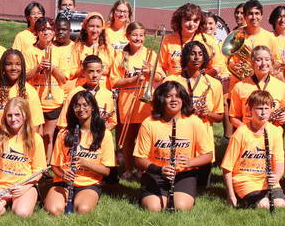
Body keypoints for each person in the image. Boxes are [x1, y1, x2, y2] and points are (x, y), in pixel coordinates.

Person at [134, 81, 215, 212]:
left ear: (183, 99)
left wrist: (190, 162)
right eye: (168, 96)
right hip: (156, 173)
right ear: (161, 99)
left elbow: (208, 155)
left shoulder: (194, 121)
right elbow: (139, 159)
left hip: (184, 174)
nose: (174, 100)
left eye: (177, 96)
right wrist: (159, 170)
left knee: (181, 207)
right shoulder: (149, 123)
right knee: (154, 208)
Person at [45, 90, 115, 215]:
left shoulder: (105, 135)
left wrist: (85, 163)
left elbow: (107, 172)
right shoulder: (63, 134)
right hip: (63, 182)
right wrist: (63, 175)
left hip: (89, 183)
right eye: (77, 105)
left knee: (83, 209)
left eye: (85, 105)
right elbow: (55, 166)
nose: (81, 109)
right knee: (54, 210)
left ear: (92, 107)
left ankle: (83, 199)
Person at [222, 91, 285, 211]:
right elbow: (227, 168)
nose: (263, 112)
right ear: (250, 110)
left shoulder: (276, 132)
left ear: (272, 109)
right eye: (259, 108)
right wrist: (230, 195)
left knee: (280, 204)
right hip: (245, 180)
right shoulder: (241, 133)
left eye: (267, 108)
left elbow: (279, 163)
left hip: (267, 180)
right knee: (263, 205)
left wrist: (276, 178)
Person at [0, 98, 47, 217]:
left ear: (25, 115)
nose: (13, 119)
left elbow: (39, 171)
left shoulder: (35, 138)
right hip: (0, 185)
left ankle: (18, 202)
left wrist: (25, 187)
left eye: (17, 115)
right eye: (9, 115)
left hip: (23, 186)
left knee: (22, 213)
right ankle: (4, 204)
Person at [111, 22, 155, 178]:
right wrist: (134, 80)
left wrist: (151, 72)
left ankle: (143, 169)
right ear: (128, 36)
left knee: (144, 138)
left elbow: (160, 78)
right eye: (135, 35)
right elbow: (114, 82)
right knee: (128, 139)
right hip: (127, 102)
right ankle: (129, 168)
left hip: (145, 103)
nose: (138, 38)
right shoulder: (120, 56)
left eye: (141, 35)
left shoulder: (151, 54)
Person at [0, 48, 43, 140]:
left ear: (23, 67)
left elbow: (34, 125)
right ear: (2, 67)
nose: (13, 68)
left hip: (22, 145)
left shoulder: (31, 92)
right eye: (9, 64)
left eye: (18, 64)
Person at [22, 17, 69, 147]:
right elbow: (24, 77)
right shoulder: (29, 52)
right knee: (36, 135)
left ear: (53, 32)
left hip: (53, 101)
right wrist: (38, 68)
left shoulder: (59, 52)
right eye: (42, 30)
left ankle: (46, 165)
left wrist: (53, 68)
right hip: (35, 100)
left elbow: (64, 79)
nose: (46, 32)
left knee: (48, 137)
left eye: (49, 29)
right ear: (37, 33)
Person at [227, 45, 285, 133]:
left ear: (271, 62)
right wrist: (248, 130)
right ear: (252, 63)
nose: (264, 63)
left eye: (267, 59)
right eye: (259, 60)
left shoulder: (282, 87)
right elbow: (233, 118)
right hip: (248, 136)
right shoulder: (239, 87)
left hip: (273, 136)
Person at [166, 40, 225, 126]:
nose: (197, 57)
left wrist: (208, 113)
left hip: (203, 135)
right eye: (192, 54)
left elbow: (220, 117)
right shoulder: (170, 81)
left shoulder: (214, 84)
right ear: (186, 56)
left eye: (200, 54)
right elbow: (161, 111)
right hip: (178, 132)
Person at [56, 55, 117, 131]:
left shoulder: (108, 95)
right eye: (90, 71)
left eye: (98, 71)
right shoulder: (74, 93)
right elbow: (62, 123)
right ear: (83, 72)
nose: (95, 75)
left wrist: (102, 131)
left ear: (102, 72)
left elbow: (112, 122)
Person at [70, 12, 115, 87]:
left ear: (102, 29)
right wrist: (84, 69)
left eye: (98, 27)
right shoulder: (77, 48)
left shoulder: (108, 49)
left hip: (103, 91)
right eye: (91, 26)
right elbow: (71, 73)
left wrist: (96, 69)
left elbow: (113, 72)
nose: (94, 30)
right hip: (83, 91)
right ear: (85, 27)